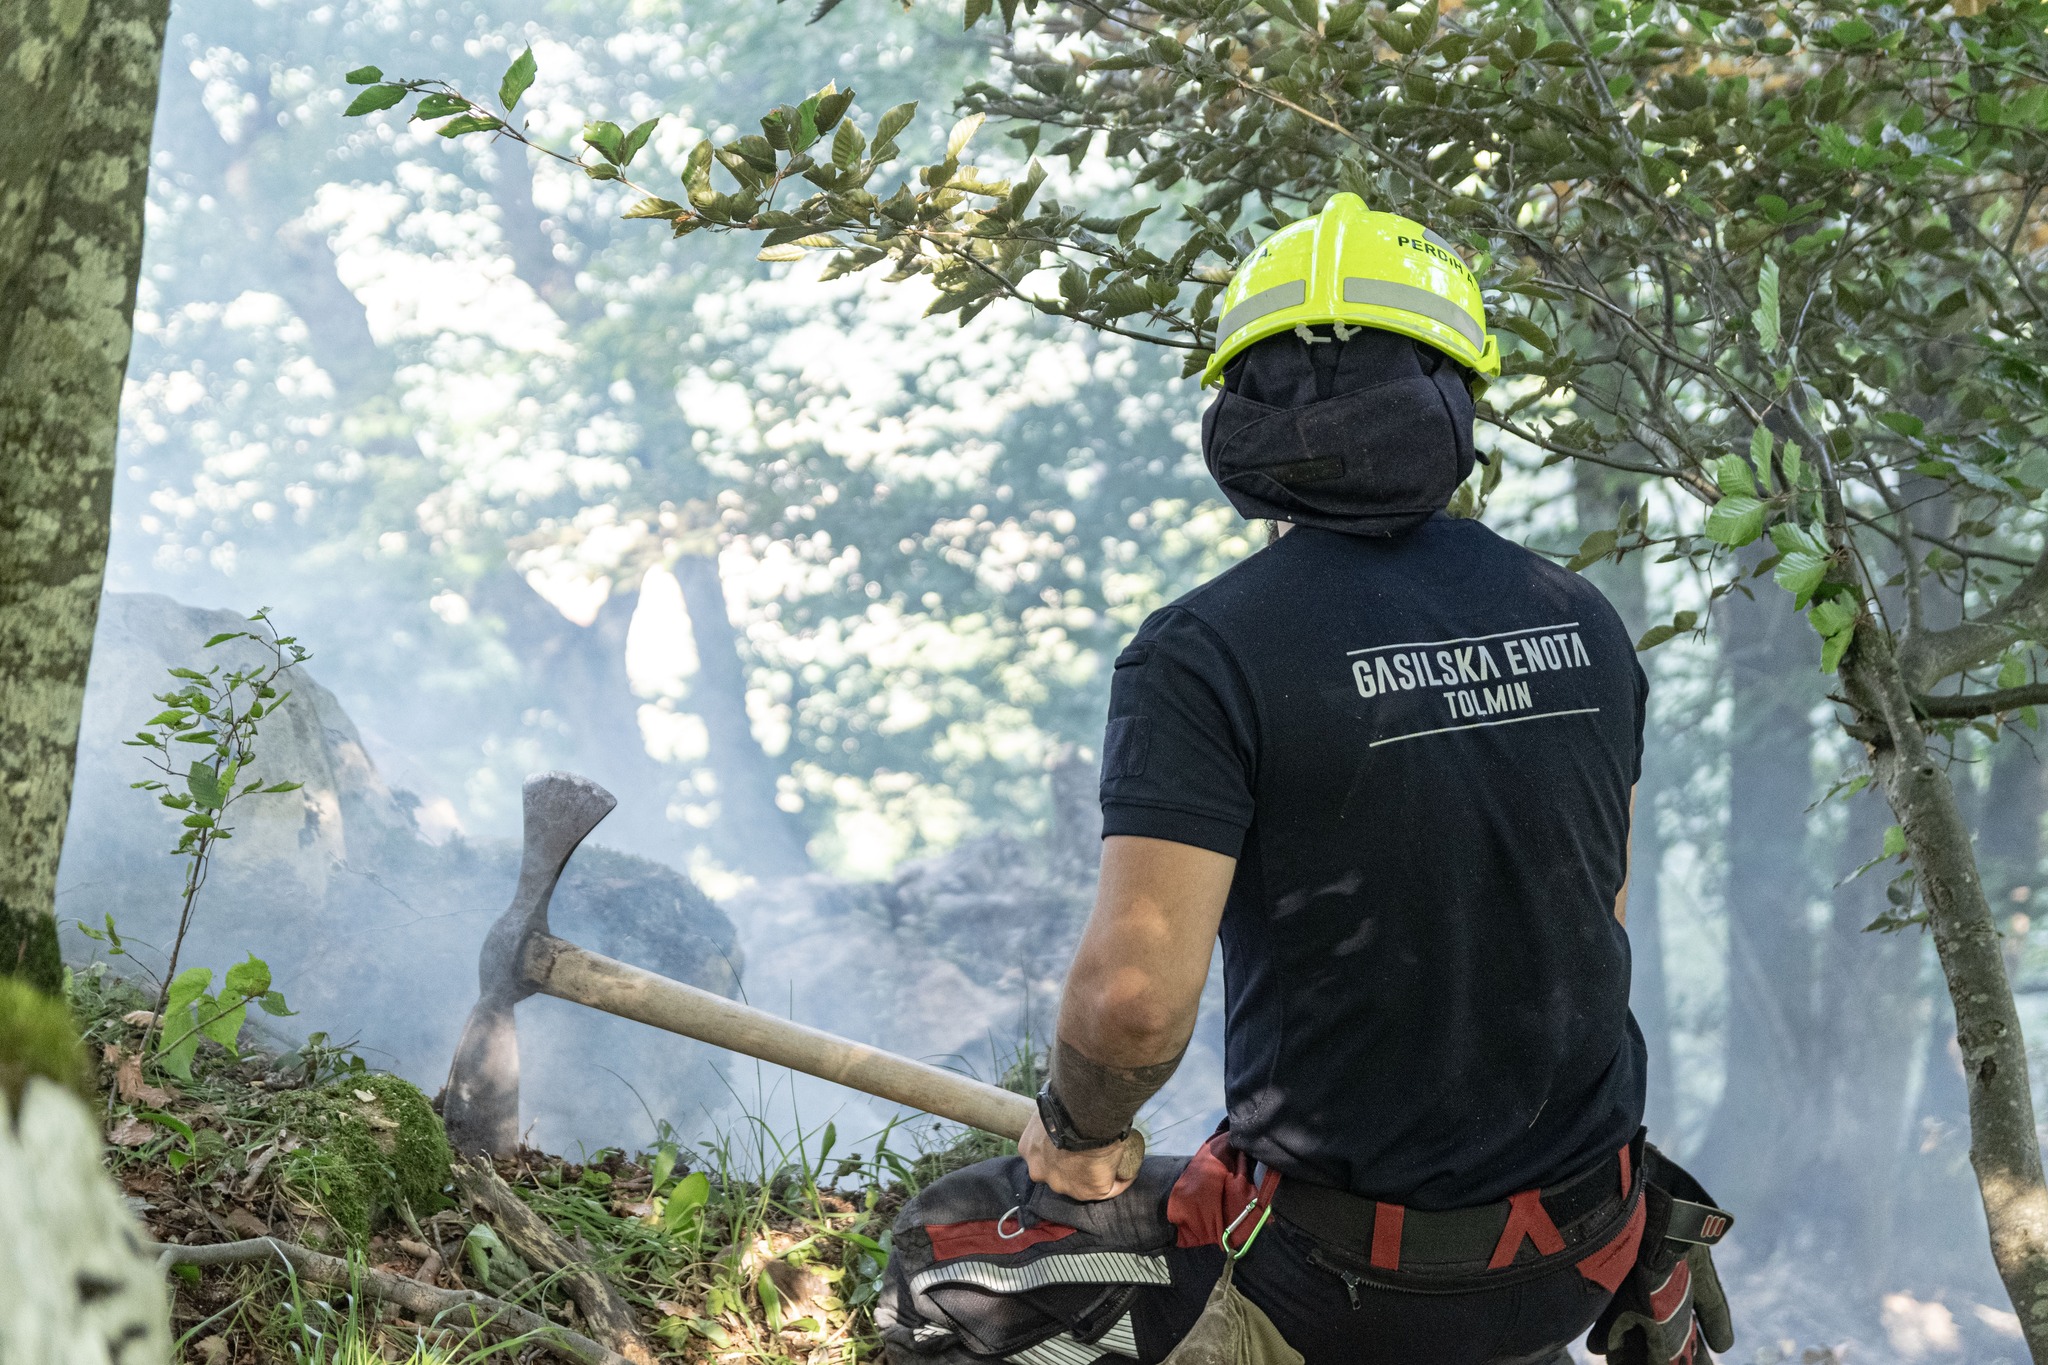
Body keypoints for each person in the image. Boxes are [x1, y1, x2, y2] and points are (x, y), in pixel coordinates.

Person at [1011, 192, 1722, 1364]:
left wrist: (1076, 1132)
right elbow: (1593, 920)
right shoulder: (1579, 620)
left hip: (1338, 1287)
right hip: (1577, 1249)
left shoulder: (1205, 652)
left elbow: (1131, 1005)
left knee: (958, 1275)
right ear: (1456, 401)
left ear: (1235, 412)